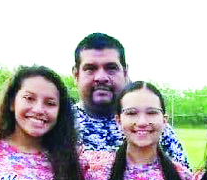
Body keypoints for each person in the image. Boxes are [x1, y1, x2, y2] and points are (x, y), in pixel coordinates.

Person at [71, 32, 189, 169]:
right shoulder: (60, 126)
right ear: (76, 74)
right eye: (90, 69)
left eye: (111, 68)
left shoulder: (152, 128)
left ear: (125, 73)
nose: (101, 77)